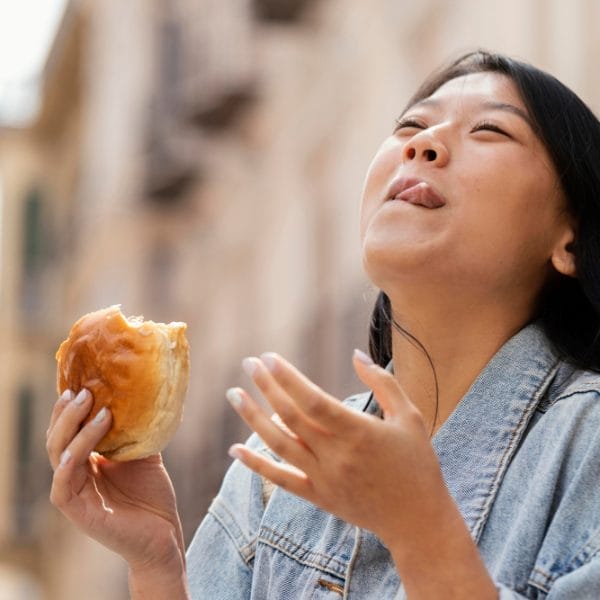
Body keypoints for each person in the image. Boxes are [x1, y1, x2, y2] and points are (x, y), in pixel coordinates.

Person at [46, 49, 600, 599]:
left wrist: (421, 532)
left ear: (570, 239)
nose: (421, 144)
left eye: (490, 131)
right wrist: (159, 566)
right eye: (412, 124)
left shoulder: (585, 447)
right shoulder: (268, 478)